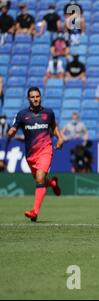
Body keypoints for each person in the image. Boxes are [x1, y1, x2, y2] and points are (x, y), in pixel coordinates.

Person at [7, 87, 64, 222]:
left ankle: (35, 212)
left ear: (40, 97)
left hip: (46, 150)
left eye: (37, 96)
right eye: (32, 97)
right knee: (41, 181)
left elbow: (54, 127)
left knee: (39, 178)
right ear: (28, 99)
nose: (35, 99)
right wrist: (12, 131)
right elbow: (14, 127)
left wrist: (60, 138)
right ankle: (53, 183)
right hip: (31, 154)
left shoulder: (48, 113)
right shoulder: (22, 114)